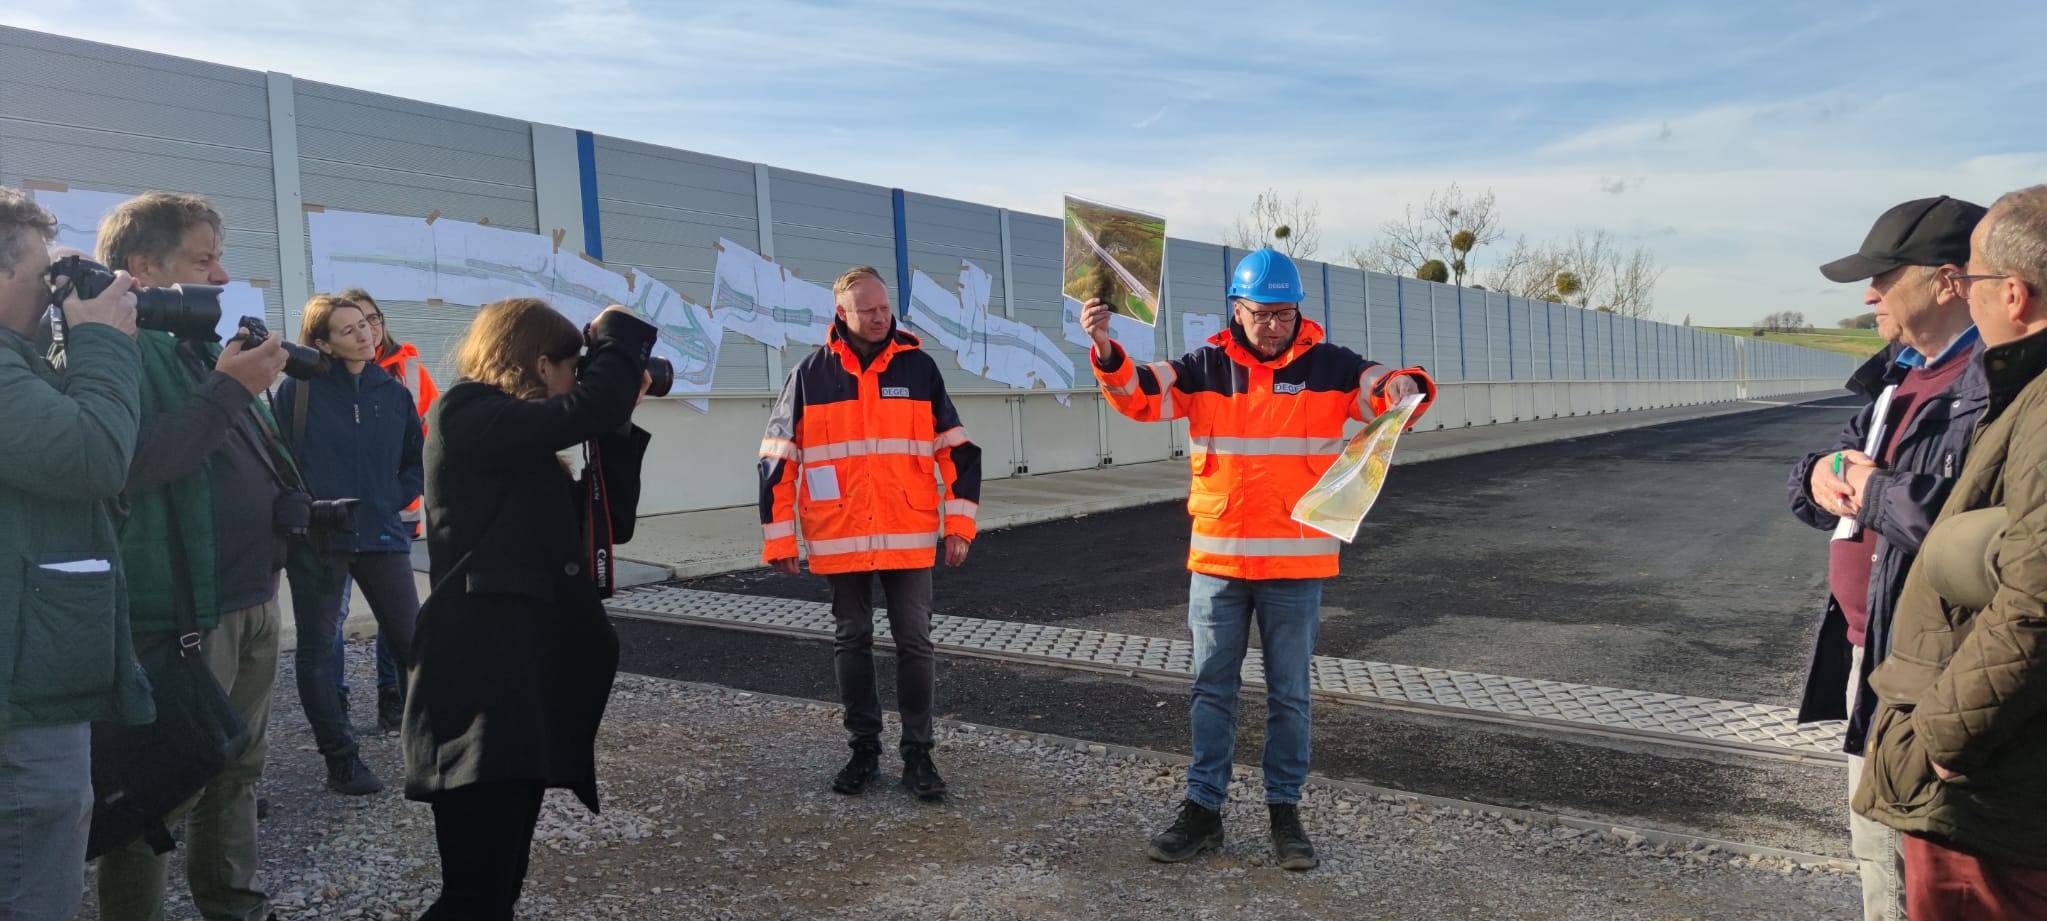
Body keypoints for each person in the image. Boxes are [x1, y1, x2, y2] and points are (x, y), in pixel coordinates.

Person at [1083, 247, 1431, 871]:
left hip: (1296, 567)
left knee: (1289, 695)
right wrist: (1107, 348)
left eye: (1285, 313)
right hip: (1218, 563)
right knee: (1210, 690)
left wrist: (1404, 383)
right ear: (1236, 310)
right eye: (1263, 313)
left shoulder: (1332, 366)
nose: (1275, 324)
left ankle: (1285, 815)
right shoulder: (1204, 366)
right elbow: (1139, 395)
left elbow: (1381, 388)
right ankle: (1203, 812)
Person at [404, 298, 654, 918]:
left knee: (501, 884)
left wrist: (616, 422)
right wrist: (618, 338)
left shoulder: (521, 447)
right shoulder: (463, 411)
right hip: (478, 679)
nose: (579, 380)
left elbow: (608, 525)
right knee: (474, 893)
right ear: (540, 365)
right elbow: (586, 406)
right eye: (574, 366)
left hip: (521, 678)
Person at [1786, 195, 1988, 921]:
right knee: (1878, 852)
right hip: (1867, 657)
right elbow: (1825, 474)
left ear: (1947, 281)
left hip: (1931, 674)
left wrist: (1870, 489)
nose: (1867, 293)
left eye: (1882, 274)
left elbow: (1964, 530)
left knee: (1932, 865)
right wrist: (1814, 475)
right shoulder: (1896, 375)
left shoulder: (1996, 383)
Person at [94, 191, 292, 921]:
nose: (220, 272)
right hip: (181, 612)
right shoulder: (114, 348)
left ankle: (235, 904)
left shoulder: (196, 340)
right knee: (159, 790)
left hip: (249, 595)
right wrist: (228, 389)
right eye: (202, 258)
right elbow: (134, 463)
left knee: (238, 769)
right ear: (142, 267)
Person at [1857, 184, 2047, 920]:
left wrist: (1944, 735)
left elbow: (2034, 598)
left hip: (1988, 795)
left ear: (2013, 294)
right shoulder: (2021, 391)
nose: (1963, 298)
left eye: (1968, 281)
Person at [758, 265, 981, 802]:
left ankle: (919, 756)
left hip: (907, 534)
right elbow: (776, 460)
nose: (881, 318)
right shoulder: (810, 375)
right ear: (842, 314)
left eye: (885, 308)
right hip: (841, 536)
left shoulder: (920, 368)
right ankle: (863, 751)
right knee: (851, 640)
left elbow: (958, 451)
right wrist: (780, 539)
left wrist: (961, 525)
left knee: (916, 643)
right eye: (868, 310)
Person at [0, 187, 153, 921]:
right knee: (34, 881)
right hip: (20, 701)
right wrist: (100, 341)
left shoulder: (16, 364)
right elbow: (95, 454)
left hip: (28, 675)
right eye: (41, 274)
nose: (51, 288)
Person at [275, 293, 423, 795]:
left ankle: (428, 750)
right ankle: (342, 761)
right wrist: (308, 508)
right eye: (349, 330)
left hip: (382, 535)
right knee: (317, 650)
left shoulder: (394, 391)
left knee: (415, 645)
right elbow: (278, 464)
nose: (365, 335)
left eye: (367, 324)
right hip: (319, 539)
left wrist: (389, 498)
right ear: (322, 343)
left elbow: (413, 461)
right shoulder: (297, 393)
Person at [329, 288, 436, 735]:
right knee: (333, 615)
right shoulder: (322, 380)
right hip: (338, 523)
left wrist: (399, 495)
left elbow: (425, 444)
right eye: (356, 322)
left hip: (396, 516)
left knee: (397, 618)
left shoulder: (410, 373)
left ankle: (393, 701)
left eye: (373, 318)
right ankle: (335, 708)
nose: (368, 329)